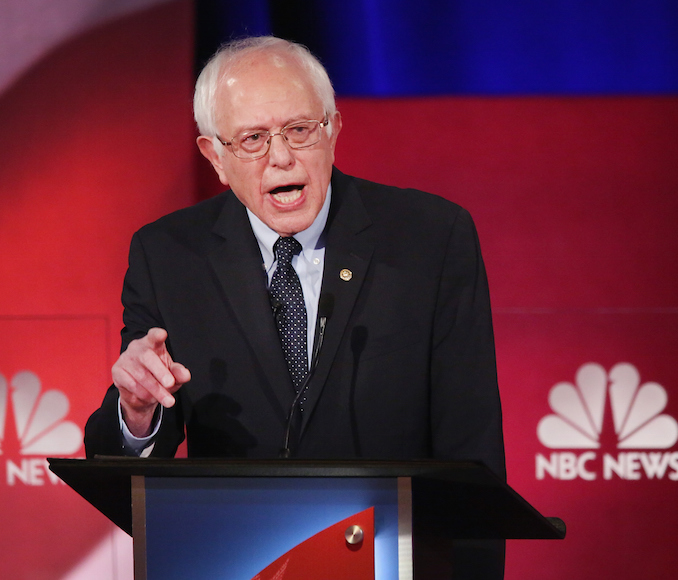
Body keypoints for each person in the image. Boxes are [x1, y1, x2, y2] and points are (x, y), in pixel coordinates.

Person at [83, 37, 505, 573]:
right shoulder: (167, 256)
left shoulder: (431, 239)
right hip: (237, 560)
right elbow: (128, 456)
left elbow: (472, 449)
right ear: (215, 156)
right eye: (253, 139)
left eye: (300, 130)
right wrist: (136, 412)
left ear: (333, 130)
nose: (281, 157)